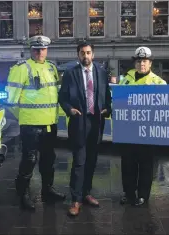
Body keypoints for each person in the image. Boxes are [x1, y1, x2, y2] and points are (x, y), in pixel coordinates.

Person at [6, 35, 65, 211]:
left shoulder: (52, 67)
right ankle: (23, 193)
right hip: (30, 125)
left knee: (48, 160)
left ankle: (47, 190)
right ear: (31, 50)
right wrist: (24, 118)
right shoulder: (21, 68)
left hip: (50, 124)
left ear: (47, 50)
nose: (40, 52)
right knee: (29, 160)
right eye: (36, 49)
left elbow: (56, 95)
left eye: (43, 49)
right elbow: (11, 101)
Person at [58, 42, 112, 216]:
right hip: (79, 121)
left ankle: (87, 193)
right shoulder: (70, 74)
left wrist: (107, 108)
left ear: (93, 55)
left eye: (88, 53)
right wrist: (69, 110)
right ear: (78, 55)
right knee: (79, 162)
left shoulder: (102, 73)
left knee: (92, 160)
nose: (86, 56)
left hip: (96, 122)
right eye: (82, 53)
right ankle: (76, 199)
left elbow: (107, 96)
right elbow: (63, 98)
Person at [114, 46, 166, 206]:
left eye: (144, 61)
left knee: (146, 165)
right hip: (128, 130)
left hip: (147, 131)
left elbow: (167, 107)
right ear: (134, 63)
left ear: (150, 63)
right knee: (127, 164)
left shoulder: (159, 82)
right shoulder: (125, 80)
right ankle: (128, 193)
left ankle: (143, 195)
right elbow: (117, 101)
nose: (141, 64)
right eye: (138, 61)